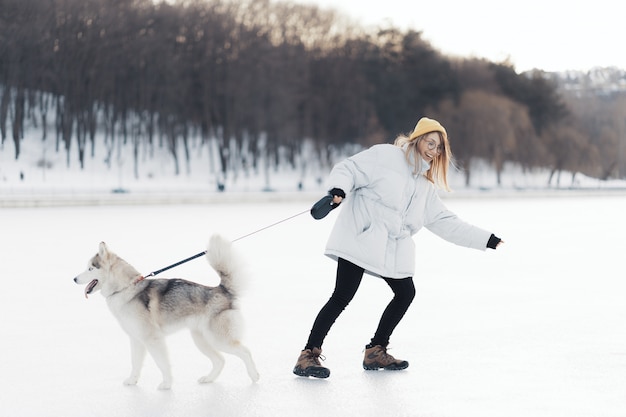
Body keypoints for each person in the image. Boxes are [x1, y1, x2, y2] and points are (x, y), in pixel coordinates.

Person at [293, 117, 504, 379]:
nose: (433, 150)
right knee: (343, 295)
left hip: (391, 247)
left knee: (405, 292)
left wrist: (486, 239)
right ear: (417, 139)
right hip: (361, 235)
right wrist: (338, 189)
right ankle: (308, 355)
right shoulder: (385, 156)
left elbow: (446, 222)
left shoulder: (425, 187)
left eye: (438, 147)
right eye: (430, 142)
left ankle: (375, 351)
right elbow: (349, 169)